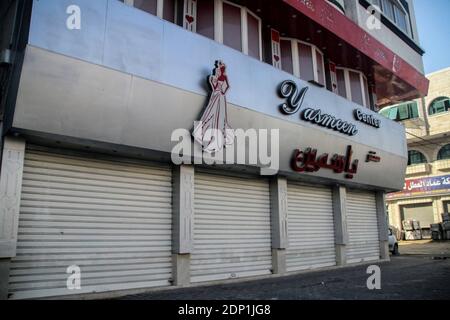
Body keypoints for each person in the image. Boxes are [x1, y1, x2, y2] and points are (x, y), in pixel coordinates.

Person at [193, 60, 234, 153]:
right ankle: (212, 137)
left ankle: (215, 138)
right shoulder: (215, 76)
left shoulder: (221, 76)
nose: (219, 69)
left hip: (218, 96)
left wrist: (220, 90)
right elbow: (222, 86)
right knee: (212, 113)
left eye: (220, 68)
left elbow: (226, 86)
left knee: (217, 114)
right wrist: (220, 90)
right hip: (217, 96)